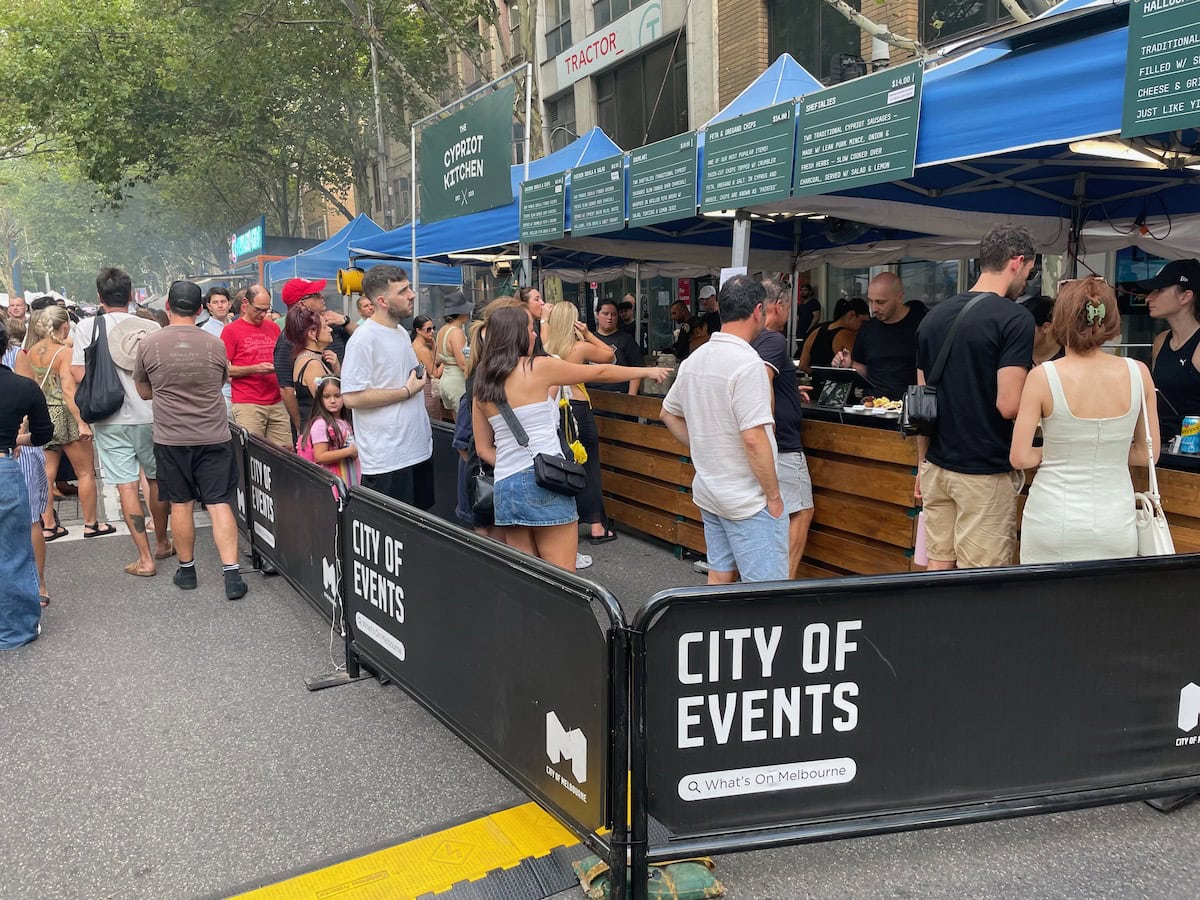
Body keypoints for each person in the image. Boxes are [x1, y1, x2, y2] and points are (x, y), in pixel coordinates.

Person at [471, 306, 668, 571]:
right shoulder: (537, 367)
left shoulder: (482, 383)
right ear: (518, 335)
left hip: (506, 485)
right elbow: (600, 371)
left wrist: (517, 466)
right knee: (563, 575)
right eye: (531, 329)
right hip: (545, 481)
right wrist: (644, 372)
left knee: (526, 574)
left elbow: (483, 448)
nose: (534, 335)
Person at [915, 225, 1037, 570]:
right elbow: (1008, 404)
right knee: (980, 580)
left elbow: (922, 403)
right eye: (1029, 271)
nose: (1027, 280)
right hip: (984, 470)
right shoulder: (1015, 319)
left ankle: (937, 627)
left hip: (936, 466)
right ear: (1017, 262)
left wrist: (922, 465)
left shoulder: (932, 318)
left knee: (939, 566)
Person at [1011, 277, 1157, 564]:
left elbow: (1020, 457)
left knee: (1047, 605)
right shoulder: (1139, 373)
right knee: (1105, 606)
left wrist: (1063, 449)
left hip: (1051, 518)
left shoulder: (1043, 377)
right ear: (1111, 319)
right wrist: (1104, 450)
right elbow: (1146, 454)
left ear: (1060, 320)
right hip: (1116, 520)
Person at [661, 275, 788, 584]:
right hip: (748, 497)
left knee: (719, 573)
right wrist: (774, 497)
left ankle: (714, 630)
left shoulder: (695, 359)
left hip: (709, 490)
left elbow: (667, 413)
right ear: (759, 311)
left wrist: (701, 447)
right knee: (765, 589)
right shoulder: (748, 364)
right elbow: (754, 438)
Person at [132, 281, 247, 599]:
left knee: (180, 504)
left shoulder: (149, 344)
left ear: (168, 305)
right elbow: (221, 381)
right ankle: (232, 576)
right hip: (214, 434)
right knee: (219, 502)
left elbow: (143, 391)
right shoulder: (216, 343)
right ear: (200, 309)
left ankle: (187, 571)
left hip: (171, 438)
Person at [71, 267, 173, 577]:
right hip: (152, 414)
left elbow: (78, 374)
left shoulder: (87, 327)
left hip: (110, 418)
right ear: (131, 295)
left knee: (126, 485)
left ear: (99, 297)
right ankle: (162, 541)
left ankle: (145, 558)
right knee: (156, 480)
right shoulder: (151, 326)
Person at [341, 265, 432, 507]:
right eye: (403, 291)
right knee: (398, 536)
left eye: (409, 288)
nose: (412, 294)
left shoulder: (401, 331)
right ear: (382, 300)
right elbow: (351, 397)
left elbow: (409, 377)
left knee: (421, 530)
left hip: (416, 450)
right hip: (387, 460)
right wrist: (404, 392)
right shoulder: (364, 338)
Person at [25, 306, 112, 541]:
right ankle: (91, 523)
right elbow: (67, 389)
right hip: (64, 414)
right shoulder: (63, 352)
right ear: (64, 325)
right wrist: (81, 422)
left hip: (41, 415)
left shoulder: (31, 351)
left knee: (46, 475)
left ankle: (49, 525)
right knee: (84, 472)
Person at [543, 301, 620, 545]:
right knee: (589, 465)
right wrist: (588, 333)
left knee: (565, 464)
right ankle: (596, 525)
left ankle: (568, 520)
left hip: (557, 410)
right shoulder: (579, 347)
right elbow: (610, 356)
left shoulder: (546, 347)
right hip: (578, 407)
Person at [754, 278, 815, 579]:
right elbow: (762, 379)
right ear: (778, 306)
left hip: (766, 445)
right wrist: (768, 427)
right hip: (783, 446)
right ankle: (784, 585)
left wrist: (789, 387)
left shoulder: (752, 338)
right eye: (789, 307)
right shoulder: (775, 339)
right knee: (801, 512)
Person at [0, 316, 53, 649]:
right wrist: (18, 439)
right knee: (13, 552)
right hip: (5, 465)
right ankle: (16, 630)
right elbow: (45, 434)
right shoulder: (23, 387)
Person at [275, 278, 356, 433]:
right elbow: (287, 389)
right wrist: (301, 428)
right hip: (323, 430)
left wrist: (345, 321)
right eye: (316, 294)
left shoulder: (335, 324)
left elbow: (365, 340)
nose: (322, 297)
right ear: (301, 304)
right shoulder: (291, 341)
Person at [1138, 258, 1200, 444]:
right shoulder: (1161, 341)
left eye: (1159, 290)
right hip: (1161, 447)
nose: (1149, 297)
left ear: (1185, 296)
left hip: (1192, 455)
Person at [222, 284, 292, 449]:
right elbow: (224, 370)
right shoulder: (231, 330)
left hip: (276, 401)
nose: (262, 314)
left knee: (285, 453)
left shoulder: (273, 327)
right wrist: (254, 369)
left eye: (266, 310)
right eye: (259, 309)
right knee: (253, 453)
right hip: (248, 403)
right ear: (245, 304)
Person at [834, 273, 925, 399]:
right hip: (872, 405)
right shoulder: (867, 329)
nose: (874, 308)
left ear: (899, 297)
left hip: (908, 407)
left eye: (880, 302)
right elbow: (869, 372)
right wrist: (851, 364)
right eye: (870, 301)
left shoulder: (921, 326)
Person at [297, 377, 360, 487]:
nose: (332, 401)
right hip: (334, 483)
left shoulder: (344, 421)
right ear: (319, 399)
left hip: (349, 477)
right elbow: (320, 456)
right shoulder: (321, 424)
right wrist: (349, 451)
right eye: (326, 397)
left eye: (337, 396)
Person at [285, 304, 339, 433]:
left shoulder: (310, 358)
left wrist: (336, 367)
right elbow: (330, 403)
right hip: (320, 434)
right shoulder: (313, 364)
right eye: (325, 327)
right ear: (312, 333)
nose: (330, 330)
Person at [798, 297, 868, 374]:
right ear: (851, 315)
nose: (864, 327)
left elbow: (802, 365)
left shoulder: (816, 331)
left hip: (816, 384)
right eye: (863, 322)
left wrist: (819, 376)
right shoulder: (847, 335)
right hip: (839, 384)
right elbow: (858, 367)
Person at [587, 298, 643, 395]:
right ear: (597, 315)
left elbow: (637, 369)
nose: (610, 317)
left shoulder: (626, 339)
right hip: (592, 394)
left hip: (620, 394)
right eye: (605, 314)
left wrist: (631, 398)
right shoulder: (589, 340)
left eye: (613, 314)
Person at [436, 291, 472, 420]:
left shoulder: (442, 330)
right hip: (458, 382)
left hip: (446, 381)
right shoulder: (457, 332)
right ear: (461, 312)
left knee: (457, 424)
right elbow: (462, 363)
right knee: (465, 422)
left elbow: (438, 358)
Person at [201, 287, 235, 411]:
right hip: (221, 393)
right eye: (215, 302)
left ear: (229, 304)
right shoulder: (205, 332)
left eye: (223, 301)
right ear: (209, 306)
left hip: (245, 392)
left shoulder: (238, 327)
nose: (220, 306)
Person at [410, 315, 444, 420]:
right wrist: (447, 361)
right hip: (428, 392)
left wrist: (433, 344)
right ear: (418, 330)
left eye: (433, 328)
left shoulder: (413, 345)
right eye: (428, 329)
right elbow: (435, 373)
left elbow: (435, 360)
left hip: (419, 391)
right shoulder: (423, 350)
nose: (432, 332)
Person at [1020, 295, 1064, 365]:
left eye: (1025, 327)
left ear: (1046, 327)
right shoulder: (1017, 358)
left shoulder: (1068, 358)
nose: (1019, 332)